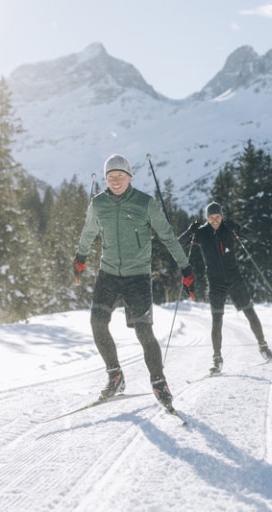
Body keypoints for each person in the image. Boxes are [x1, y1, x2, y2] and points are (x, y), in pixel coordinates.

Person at [73, 153, 196, 410]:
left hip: (137, 277)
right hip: (108, 274)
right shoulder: (98, 204)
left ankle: (159, 381)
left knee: (143, 331)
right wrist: (80, 258)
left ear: (129, 177)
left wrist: (185, 268)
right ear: (105, 179)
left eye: (120, 176)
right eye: (110, 177)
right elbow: (88, 232)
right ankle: (115, 375)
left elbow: (168, 237)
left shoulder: (145, 203)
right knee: (97, 323)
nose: (115, 181)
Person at [179, 201, 272, 375]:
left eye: (217, 217)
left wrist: (238, 228)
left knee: (250, 313)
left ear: (222, 216)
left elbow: (254, 237)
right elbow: (178, 245)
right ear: (207, 218)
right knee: (217, 321)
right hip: (215, 282)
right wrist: (190, 231)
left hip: (235, 279)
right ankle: (217, 359)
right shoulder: (201, 233)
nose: (215, 220)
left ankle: (264, 348)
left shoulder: (228, 228)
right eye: (211, 217)